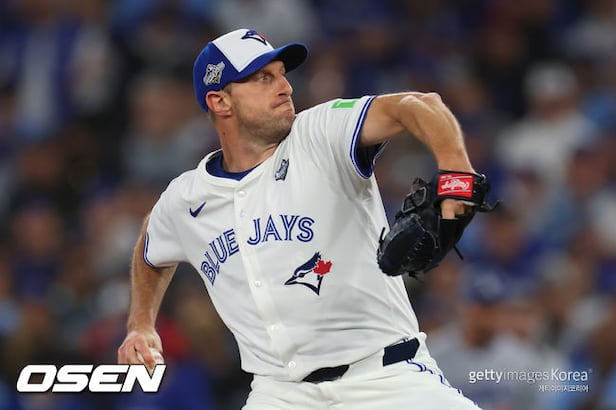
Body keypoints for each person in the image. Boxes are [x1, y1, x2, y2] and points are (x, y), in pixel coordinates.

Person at [117, 28, 481, 409]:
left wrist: (456, 167)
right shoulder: (187, 198)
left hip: (386, 379)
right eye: (263, 78)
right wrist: (140, 323)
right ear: (219, 101)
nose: (285, 87)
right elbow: (150, 248)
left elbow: (415, 105)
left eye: (282, 74)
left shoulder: (319, 134)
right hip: (281, 394)